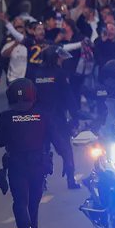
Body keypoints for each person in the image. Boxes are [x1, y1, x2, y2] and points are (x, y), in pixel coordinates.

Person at [0, 78, 62, 228]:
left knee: (20, 202)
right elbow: (57, 139)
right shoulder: (43, 115)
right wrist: (68, 161)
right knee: (34, 202)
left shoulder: (6, 117)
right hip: (38, 165)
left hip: (17, 165)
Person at [32, 46, 78, 189]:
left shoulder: (36, 74)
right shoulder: (60, 74)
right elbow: (68, 96)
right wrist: (75, 116)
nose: (61, 60)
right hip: (57, 118)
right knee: (66, 150)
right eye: (59, 58)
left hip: (39, 118)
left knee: (42, 150)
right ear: (55, 58)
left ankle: (41, 182)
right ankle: (71, 180)